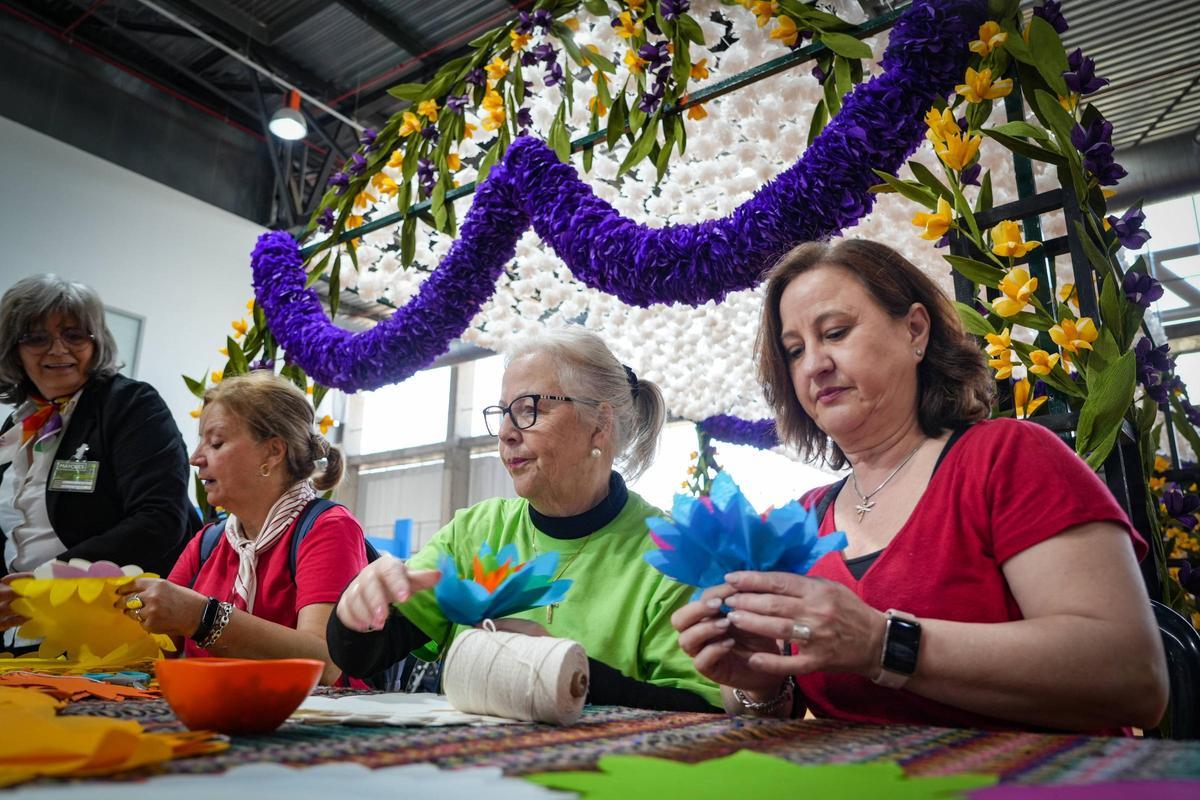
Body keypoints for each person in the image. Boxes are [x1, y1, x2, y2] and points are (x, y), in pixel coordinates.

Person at [672, 239, 1169, 732]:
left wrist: (884, 644)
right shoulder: (800, 519)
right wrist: (756, 684)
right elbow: (772, 714)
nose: (813, 365)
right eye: (794, 350)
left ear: (914, 330)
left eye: (837, 332)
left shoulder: (1008, 457)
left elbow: (1134, 679)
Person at [328, 329, 720, 710]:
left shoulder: (672, 553)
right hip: (472, 766)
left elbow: (698, 706)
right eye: (502, 414)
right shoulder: (479, 530)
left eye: (529, 410)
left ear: (599, 425)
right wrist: (355, 613)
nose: (505, 433)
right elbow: (368, 656)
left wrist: (560, 666)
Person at [114, 371, 366, 685]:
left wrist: (201, 617)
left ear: (273, 452)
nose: (195, 458)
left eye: (216, 442)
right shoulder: (207, 543)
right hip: (214, 711)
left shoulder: (328, 528)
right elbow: (153, 648)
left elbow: (325, 663)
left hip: (308, 722)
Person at [0, 275, 197, 651]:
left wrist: (44, 582)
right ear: (14, 349)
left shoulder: (130, 405)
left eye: (75, 335)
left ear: (96, 341)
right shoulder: (16, 424)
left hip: (113, 627)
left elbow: (159, 519)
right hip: (24, 631)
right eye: (38, 338)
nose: (58, 350)